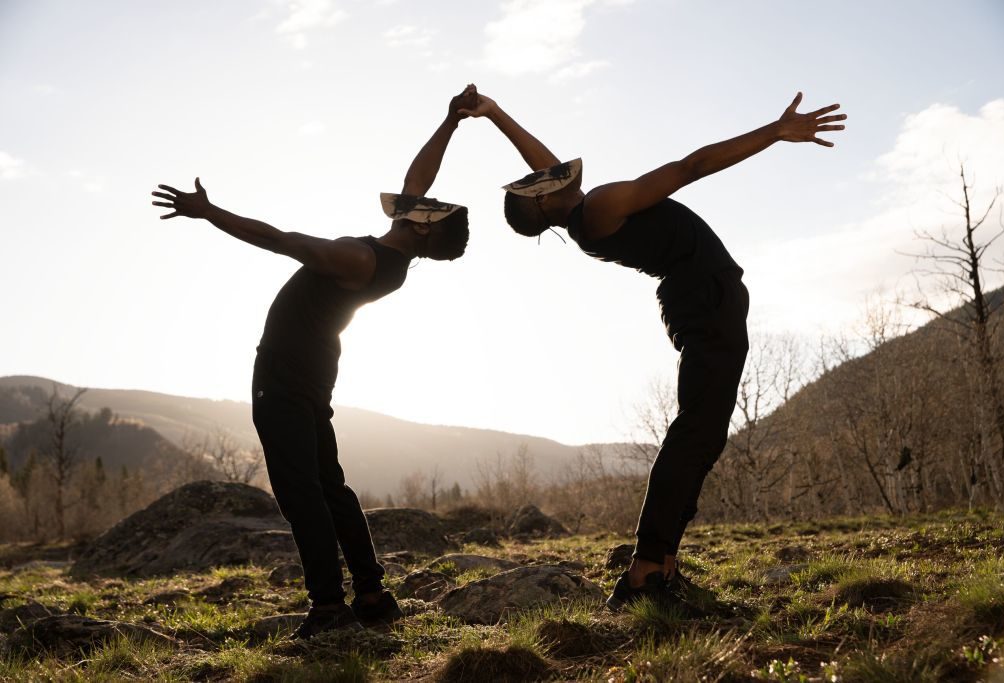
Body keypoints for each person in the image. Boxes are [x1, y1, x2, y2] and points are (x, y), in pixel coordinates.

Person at [459, 87, 845, 610]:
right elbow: (691, 166)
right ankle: (644, 572)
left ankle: (663, 565)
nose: (541, 172)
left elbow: (545, 165)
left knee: (703, 437)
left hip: (703, 298)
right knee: (694, 435)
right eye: (535, 184)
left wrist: (495, 114)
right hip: (703, 302)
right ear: (544, 203)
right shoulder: (598, 209)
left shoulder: (581, 211)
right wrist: (774, 133)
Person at [151, 85, 478, 637]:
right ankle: (372, 596)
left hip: (285, 377)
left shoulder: (358, 257)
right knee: (329, 488)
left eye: (431, 206)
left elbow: (279, 239)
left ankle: (328, 608)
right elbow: (417, 180)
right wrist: (451, 122)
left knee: (302, 491)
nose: (422, 197)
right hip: (312, 373)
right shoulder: (389, 257)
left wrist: (208, 213)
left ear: (423, 226)